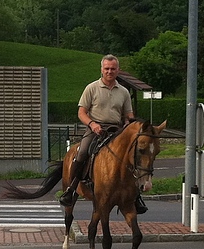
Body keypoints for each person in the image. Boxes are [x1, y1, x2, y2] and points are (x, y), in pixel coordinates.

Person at [59, 54, 148, 213]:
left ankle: (136, 195)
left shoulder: (123, 92)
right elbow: (81, 112)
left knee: (133, 156)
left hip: (117, 130)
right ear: (101, 69)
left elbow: (128, 114)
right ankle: (71, 189)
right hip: (96, 129)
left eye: (113, 69)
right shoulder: (91, 88)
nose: (109, 71)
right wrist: (92, 124)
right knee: (82, 153)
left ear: (118, 70)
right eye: (106, 68)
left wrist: (130, 124)